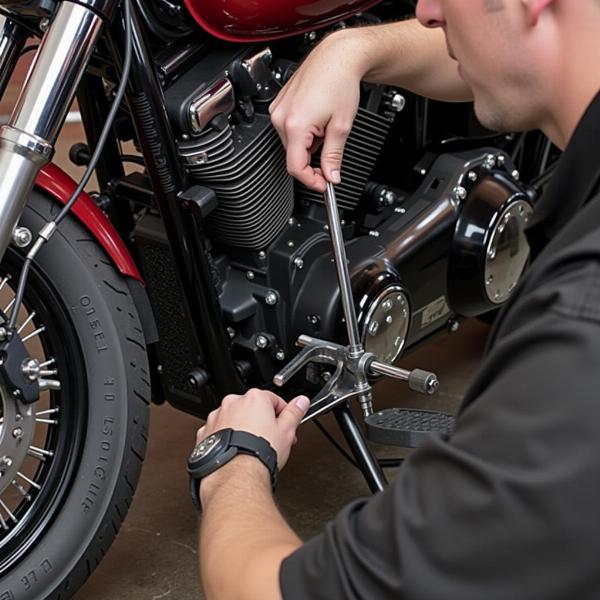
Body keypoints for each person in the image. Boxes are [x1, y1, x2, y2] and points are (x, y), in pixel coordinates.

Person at [192, 1, 600, 598]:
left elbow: (270, 592)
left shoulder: (576, 344)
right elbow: (507, 43)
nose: (425, 9)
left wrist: (233, 464)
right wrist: (350, 49)